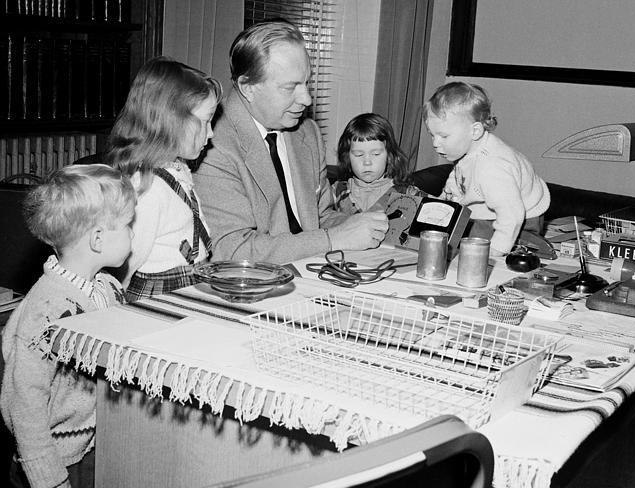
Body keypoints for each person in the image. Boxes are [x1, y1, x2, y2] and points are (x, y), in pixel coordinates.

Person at [194, 20, 388, 264]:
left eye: (306, 82)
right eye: (290, 87)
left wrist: (367, 225)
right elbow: (231, 250)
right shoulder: (211, 144)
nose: (306, 99)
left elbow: (321, 217)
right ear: (248, 88)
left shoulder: (306, 132)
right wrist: (333, 239)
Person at [0, 164, 135, 488]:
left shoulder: (106, 287)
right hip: (56, 462)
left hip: (97, 446)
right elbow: (24, 405)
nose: (134, 233)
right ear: (98, 239)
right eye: (129, 224)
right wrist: (49, 479)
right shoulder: (45, 313)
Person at [105, 56, 222, 301]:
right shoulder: (148, 188)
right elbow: (126, 262)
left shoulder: (176, 171)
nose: (211, 133)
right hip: (161, 294)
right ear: (171, 122)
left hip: (189, 282)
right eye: (205, 121)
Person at [423, 81, 550, 256]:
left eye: (443, 136)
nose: (435, 143)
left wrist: (495, 251)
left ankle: (519, 245)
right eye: (432, 135)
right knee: (461, 243)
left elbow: (511, 215)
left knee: (476, 251)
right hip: (490, 205)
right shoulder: (467, 150)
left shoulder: (493, 168)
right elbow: (460, 176)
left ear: (475, 131)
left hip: (522, 216)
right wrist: (445, 198)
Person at [333, 112, 425, 215]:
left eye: (376, 154)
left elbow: (439, 209)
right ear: (347, 157)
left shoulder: (408, 194)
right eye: (359, 154)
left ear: (389, 155)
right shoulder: (335, 192)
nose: (367, 162)